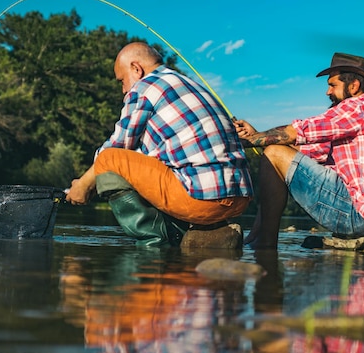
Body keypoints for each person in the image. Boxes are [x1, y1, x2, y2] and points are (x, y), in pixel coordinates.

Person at [66, 42, 253, 246]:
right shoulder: (187, 83)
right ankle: (204, 232)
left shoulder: (145, 87)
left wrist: (83, 185)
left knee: (108, 159)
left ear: (136, 69)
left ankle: (158, 243)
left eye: (121, 80)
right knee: (129, 162)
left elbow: (117, 147)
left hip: (202, 198)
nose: (123, 89)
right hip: (241, 196)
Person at [235, 53, 364, 249]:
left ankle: (264, 246)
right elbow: (305, 152)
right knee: (275, 154)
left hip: (356, 215)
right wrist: (255, 135)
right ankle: (256, 238)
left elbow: (294, 132)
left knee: (273, 154)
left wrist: (242, 142)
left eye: (332, 85)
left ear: (354, 86)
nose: (327, 92)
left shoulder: (357, 107)